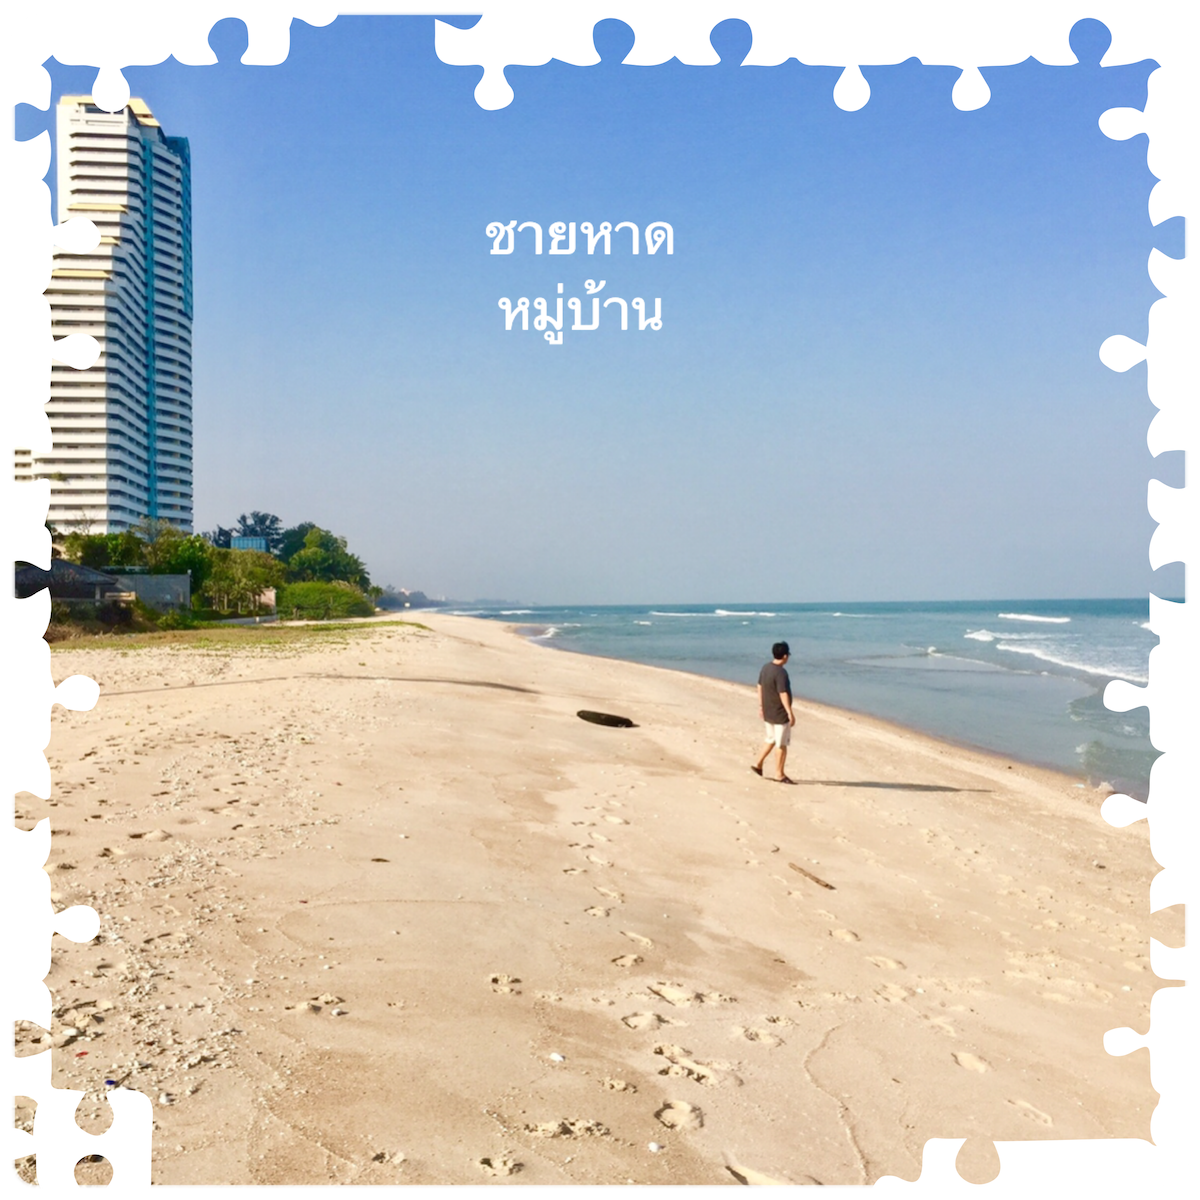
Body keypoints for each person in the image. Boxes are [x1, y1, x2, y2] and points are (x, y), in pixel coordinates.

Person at [753, 642, 797, 783]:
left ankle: (757, 764)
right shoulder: (781, 673)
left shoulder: (766, 668)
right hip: (779, 713)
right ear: (784, 656)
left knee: (770, 738)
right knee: (781, 744)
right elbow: (783, 693)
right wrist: (789, 712)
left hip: (768, 711)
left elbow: (759, 686)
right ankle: (779, 774)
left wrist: (761, 706)